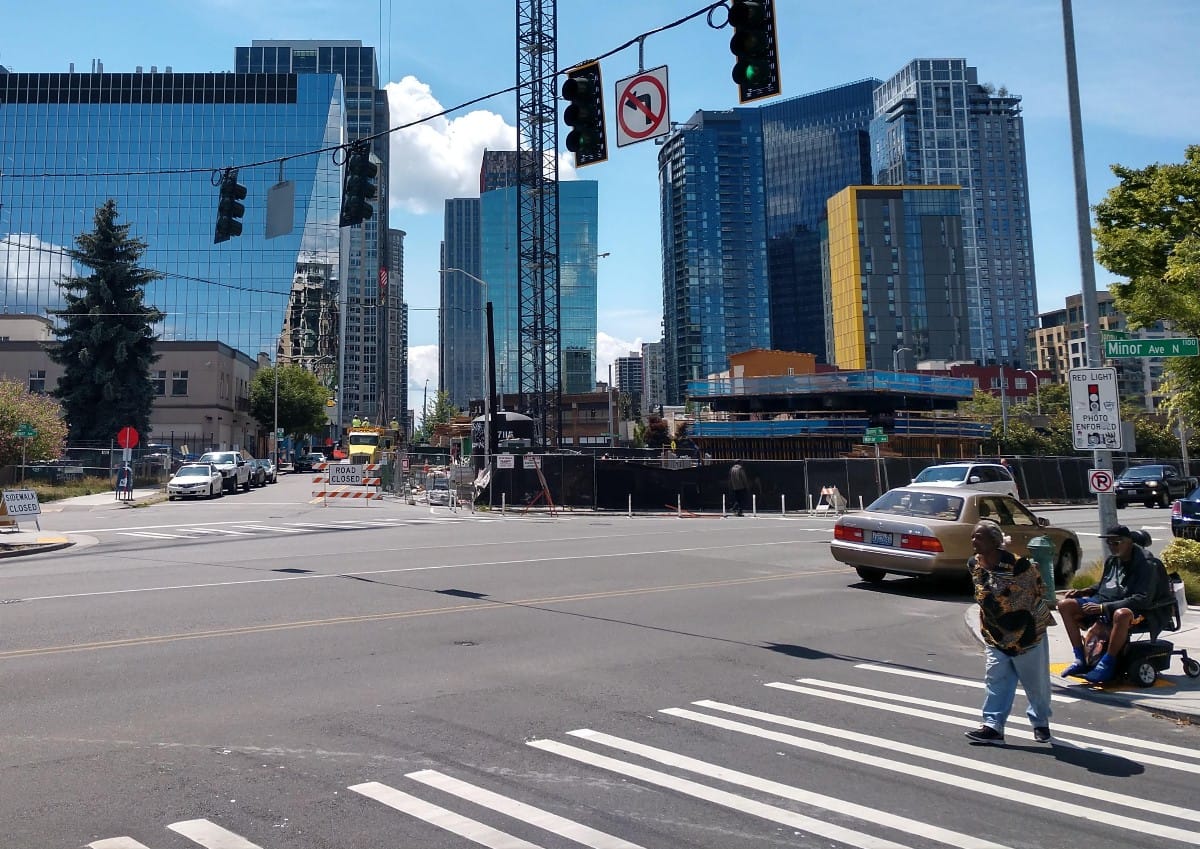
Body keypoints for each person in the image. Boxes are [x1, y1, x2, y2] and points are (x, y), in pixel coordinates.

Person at [964, 520, 1054, 745]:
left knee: (1036, 685)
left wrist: (1001, 603)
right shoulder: (973, 564)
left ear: (995, 542)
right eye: (973, 536)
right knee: (996, 680)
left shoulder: (1018, 565)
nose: (974, 540)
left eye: (980, 537)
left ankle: (1040, 722)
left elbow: (1034, 592)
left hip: (1027, 633)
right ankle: (993, 726)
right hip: (996, 634)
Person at [1058, 524, 1167, 684]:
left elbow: (1142, 598)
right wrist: (1085, 591)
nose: (1111, 546)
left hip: (1137, 610)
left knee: (1121, 614)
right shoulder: (1112, 560)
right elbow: (1106, 584)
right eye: (1109, 543)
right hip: (1105, 601)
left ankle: (1107, 663)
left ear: (1129, 542)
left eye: (1116, 542)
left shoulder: (1147, 564)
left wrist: (1103, 608)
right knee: (1065, 605)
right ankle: (1080, 658)